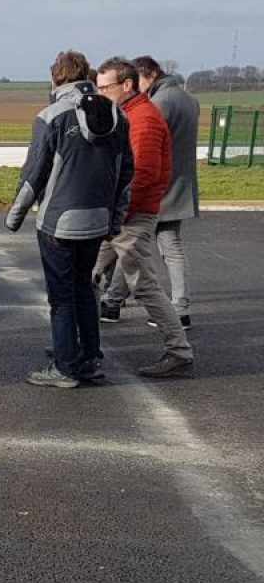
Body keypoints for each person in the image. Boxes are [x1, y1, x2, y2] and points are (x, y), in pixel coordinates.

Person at [5, 51, 133, 388]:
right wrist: (115, 218)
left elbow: (34, 174)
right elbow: (125, 173)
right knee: (83, 289)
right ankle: (87, 357)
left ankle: (64, 367)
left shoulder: (51, 116)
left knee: (60, 297)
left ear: (56, 78)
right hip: (98, 219)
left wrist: (14, 217)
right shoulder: (117, 114)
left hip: (59, 221)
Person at [89, 58, 193, 377]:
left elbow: (142, 176)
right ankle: (84, 344)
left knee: (143, 284)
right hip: (121, 215)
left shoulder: (144, 120)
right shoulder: (129, 114)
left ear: (127, 85)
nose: (101, 93)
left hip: (131, 217)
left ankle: (179, 349)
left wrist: (116, 216)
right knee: (89, 274)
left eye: (105, 87)